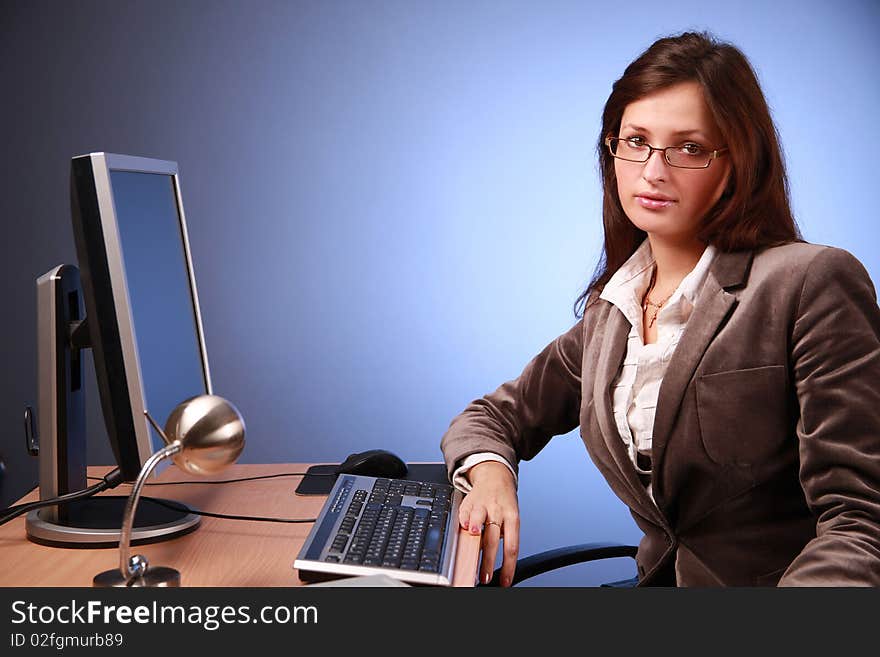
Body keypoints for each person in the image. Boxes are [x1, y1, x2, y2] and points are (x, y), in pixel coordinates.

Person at [440, 31, 880, 587]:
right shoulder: (611, 313)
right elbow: (491, 417)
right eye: (636, 140)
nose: (653, 170)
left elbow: (860, 521)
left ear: (736, 162)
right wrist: (490, 475)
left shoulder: (809, 282)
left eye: (689, 148)